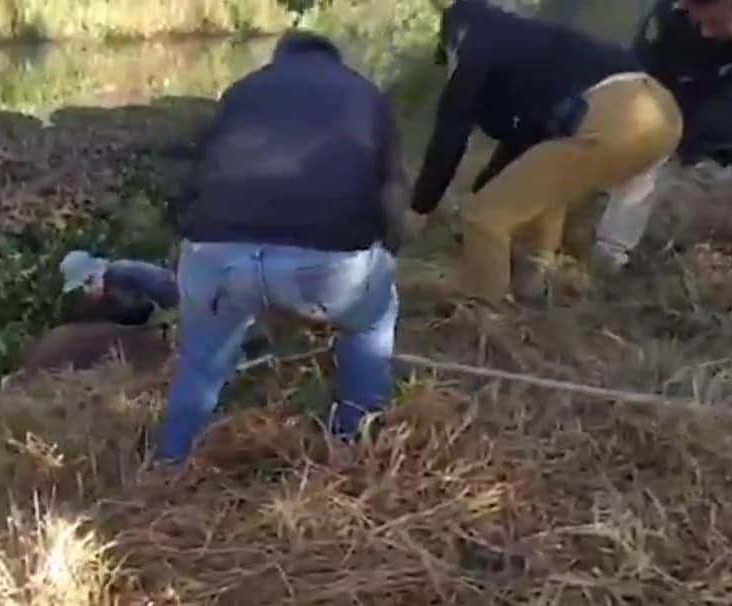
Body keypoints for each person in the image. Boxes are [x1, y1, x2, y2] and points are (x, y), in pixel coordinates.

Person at [153, 31, 407, 465]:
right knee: (372, 322)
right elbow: (393, 190)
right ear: (335, 58)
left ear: (279, 58)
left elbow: (193, 172)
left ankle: (166, 467)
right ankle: (355, 448)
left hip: (216, 255)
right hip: (326, 267)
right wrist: (389, 251)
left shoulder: (242, 90)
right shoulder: (366, 94)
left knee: (200, 364)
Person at [403, 0, 684, 303]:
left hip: (618, 114)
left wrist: (420, 208)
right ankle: (539, 291)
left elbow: (450, 134)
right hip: (664, 115)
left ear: (451, 41)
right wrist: (485, 187)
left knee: (482, 219)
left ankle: (483, 315)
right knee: (545, 196)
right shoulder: (525, 46)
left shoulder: (473, 45)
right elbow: (523, 151)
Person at [635, 0, 732, 170]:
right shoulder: (669, 18)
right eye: (697, 21)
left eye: (714, 23)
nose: (705, 32)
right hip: (670, 147)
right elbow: (639, 80)